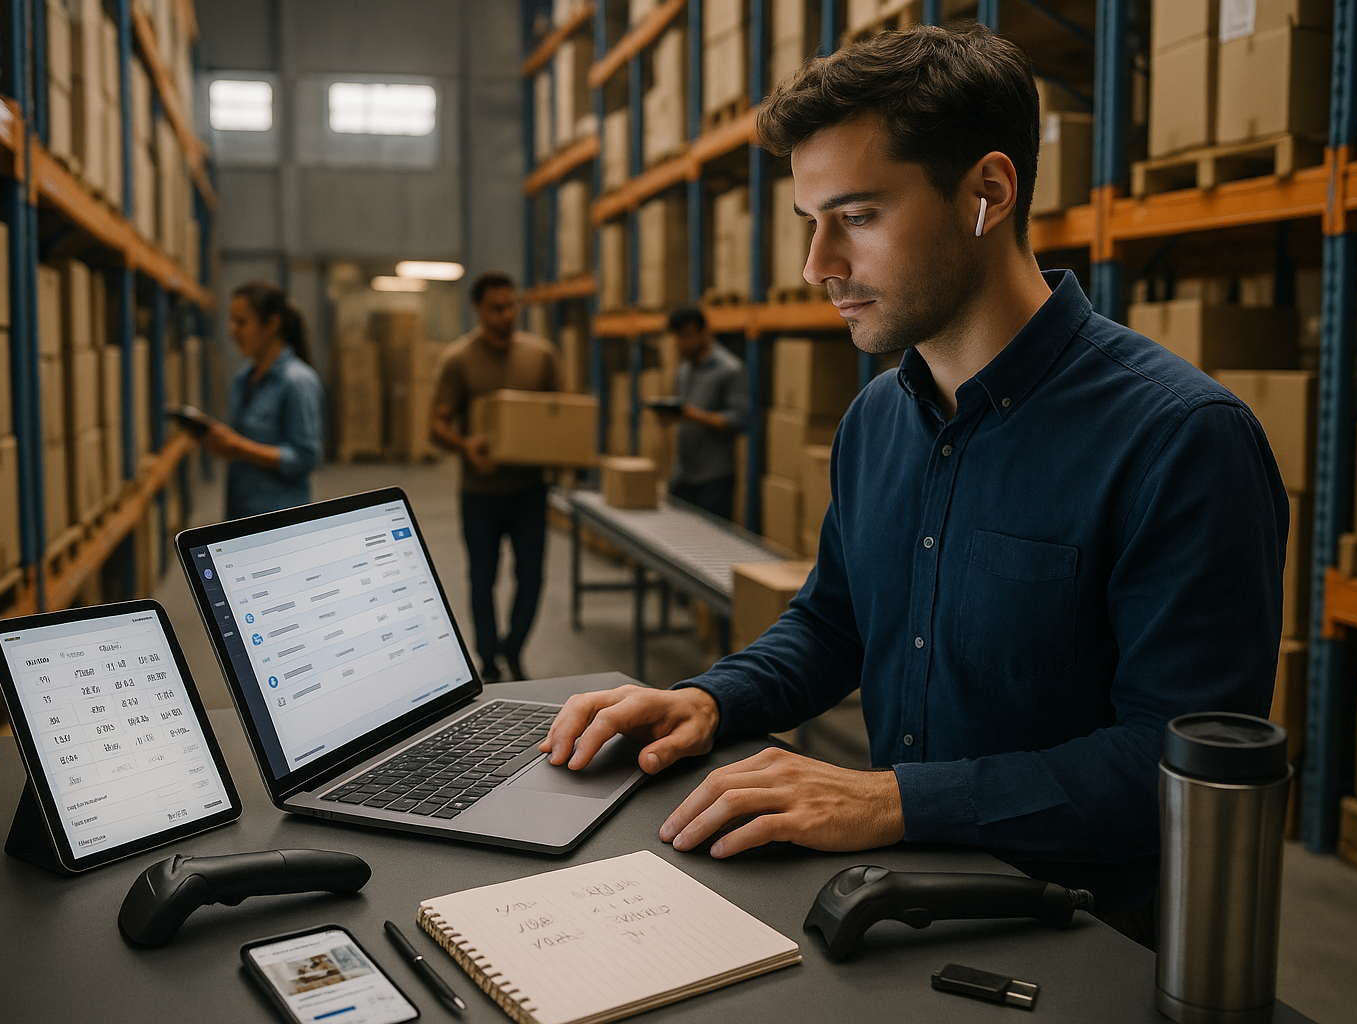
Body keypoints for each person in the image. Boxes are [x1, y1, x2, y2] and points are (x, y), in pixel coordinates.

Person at [536, 25, 1286, 935]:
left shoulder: (1179, 440)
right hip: (889, 905)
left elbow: (1171, 764)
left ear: (988, 193)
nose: (819, 267)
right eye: (811, 224)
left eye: (857, 217)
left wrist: (889, 801)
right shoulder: (877, 420)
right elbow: (834, 623)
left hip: (1078, 938)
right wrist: (710, 697)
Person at [430, 271, 563, 684]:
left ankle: (513, 647)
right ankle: (487, 658)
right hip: (481, 493)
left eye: (511, 305)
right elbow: (436, 425)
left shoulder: (541, 356)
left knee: (532, 576)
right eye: (496, 308)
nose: (507, 314)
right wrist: (466, 446)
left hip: (529, 490)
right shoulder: (459, 360)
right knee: (482, 577)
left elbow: (561, 416)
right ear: (479, 309)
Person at [208, 281, 324, 520]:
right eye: (231, 321)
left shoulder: (297, 382)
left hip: (279, 522)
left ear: (272, 323)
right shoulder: (243, 379)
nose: (232, 331)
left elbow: (305, 458)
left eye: (241, 322)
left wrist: (238, 447)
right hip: (241, 514)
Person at [654, 307, 749, 520]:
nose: (681, 343)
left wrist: (692, 416)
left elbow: (740, 420)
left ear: (704, 332)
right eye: (677, 337)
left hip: (714, 478)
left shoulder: (730, 370)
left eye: (687, 336)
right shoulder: (684, 371)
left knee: (711, 544)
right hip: (683, 473)